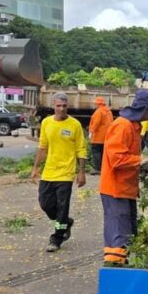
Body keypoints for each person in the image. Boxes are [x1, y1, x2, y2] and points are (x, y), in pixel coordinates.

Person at [100, 89, 148, 265]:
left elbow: (129, 160)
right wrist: (143, 160)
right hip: (115, 190)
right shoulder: (122, 126)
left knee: (128, 234)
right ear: (143, 109)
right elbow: (117, 159)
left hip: (126, 189)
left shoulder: (134, 127)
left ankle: (122, 268)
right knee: (118, 237)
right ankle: (114, 270)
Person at [30, 93, 87, 252]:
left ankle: (57, 237)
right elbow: (43, 147)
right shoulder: (47, 123)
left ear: (67, 106)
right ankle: (66, 222)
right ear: (53, 106)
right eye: (58, 106)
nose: (61, 109)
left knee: (62, 207)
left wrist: (81, 172)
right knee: (45, 204)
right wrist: (36, 168)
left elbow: (81, 149)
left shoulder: (74, 125)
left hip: (66, 174)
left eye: (64, 106)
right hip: (49, 172)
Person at [88, 96, 112, 175]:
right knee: (103, 152)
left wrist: (91, 132)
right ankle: (103, 168)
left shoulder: (99, 112)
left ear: (98, 104)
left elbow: (96, 123)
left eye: (96, 103)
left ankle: (97, 169)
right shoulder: (109, 112)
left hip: (98, 136)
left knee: (96, 152)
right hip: (106, 136)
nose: (95, 105)